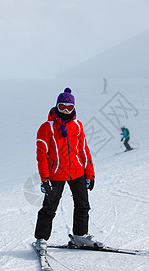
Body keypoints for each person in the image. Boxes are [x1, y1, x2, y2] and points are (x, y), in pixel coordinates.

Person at [34, 88, 103, 251]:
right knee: (49, 208)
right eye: (62, 107)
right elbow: (41, 155)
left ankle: (80, 236)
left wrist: (90, 173)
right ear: (56, 106)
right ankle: (41, 239)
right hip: (55, 174)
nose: (65, 110)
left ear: (74, 108)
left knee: (83, 205)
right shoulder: (46, 127)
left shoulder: (77, 126)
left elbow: (84, 150)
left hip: (77, 172)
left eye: (69, 107)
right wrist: (45, 178)